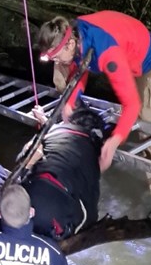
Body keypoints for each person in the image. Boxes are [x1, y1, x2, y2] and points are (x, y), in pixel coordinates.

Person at [36, 10, 151, 221]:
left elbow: (131, 104)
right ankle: (75, 127)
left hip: (144, 60)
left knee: (147, 124)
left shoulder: (107, 53)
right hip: (120, 45)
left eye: (56, 56)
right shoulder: (74, 35)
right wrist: (70, 101)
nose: (56, 61)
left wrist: (113, 142)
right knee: (65, 85)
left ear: (70, 45)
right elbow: (79, 69)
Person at [21, 103, 105, 240]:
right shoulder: (89, 152)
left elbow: (48, 127)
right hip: (50, 210)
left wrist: (41, 117)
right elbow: (91, 198)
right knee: (83, 215)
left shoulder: (54, 131)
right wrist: (89, 228)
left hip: (26, 194)